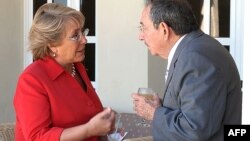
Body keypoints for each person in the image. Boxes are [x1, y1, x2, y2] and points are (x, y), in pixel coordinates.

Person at [132, 0, 242, 141]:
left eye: (143, 28)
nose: (140, 36)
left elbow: (194, 129)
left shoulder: (196, 58)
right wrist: (161, 108)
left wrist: (154, 113)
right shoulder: (192, 49)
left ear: (164, 30)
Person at [13, 3, 115, 141]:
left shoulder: (76, 67)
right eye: (75, 36)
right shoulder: (31, 79)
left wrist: (105, 123)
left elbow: (87, 114)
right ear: (52, 45)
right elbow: (37, 137)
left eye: (82, 33)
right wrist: (89, 130)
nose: (84, 40)